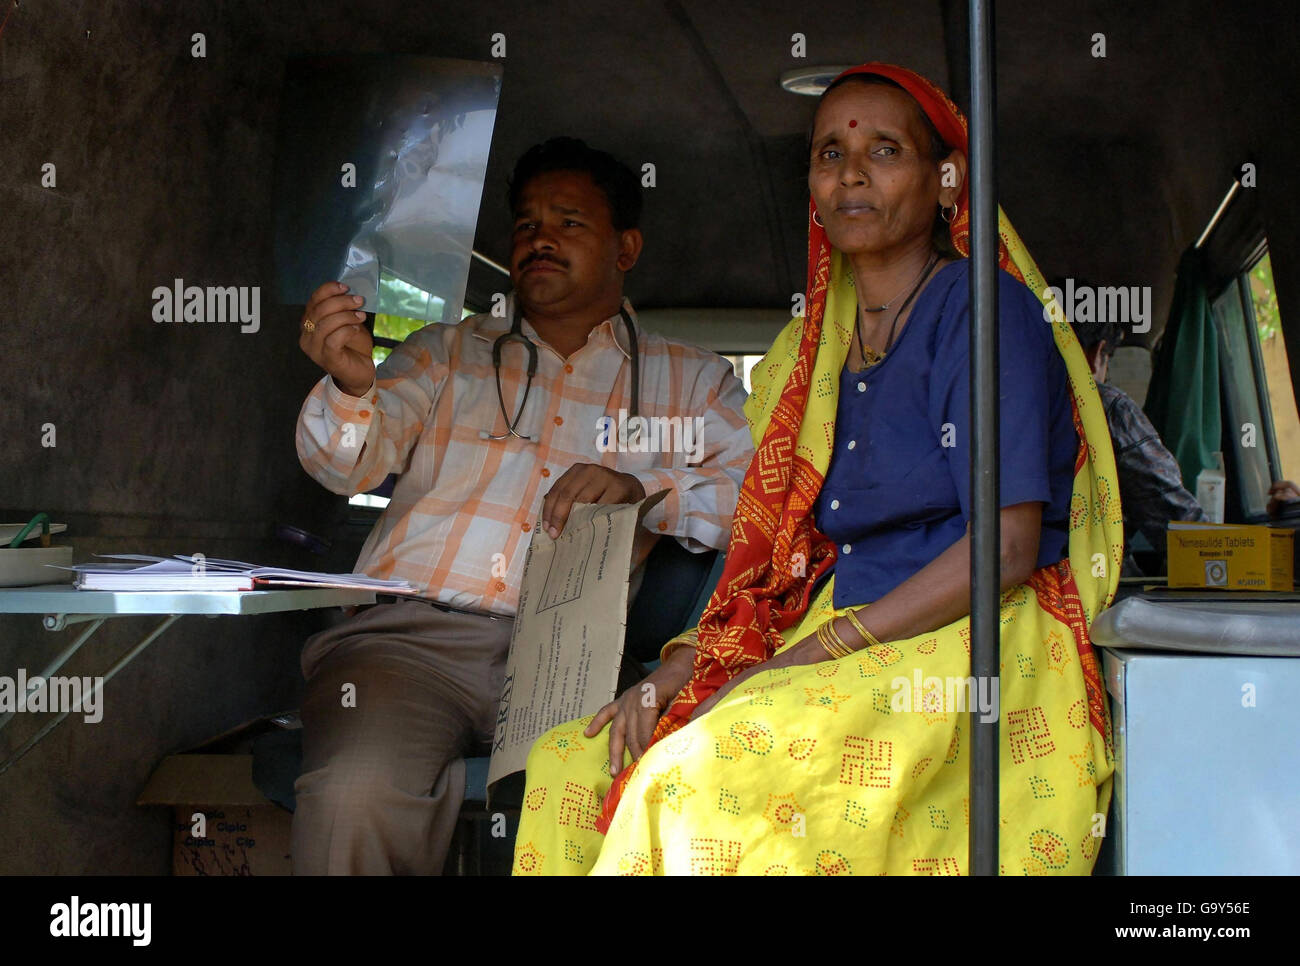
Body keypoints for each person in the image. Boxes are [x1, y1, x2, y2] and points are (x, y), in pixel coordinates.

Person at [514, 64, 1122, 876]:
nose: (853, 172)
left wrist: (801, 660)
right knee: (570, 764)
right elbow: (777, 565)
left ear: (947, 181)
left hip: (967, 637)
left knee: (692, 785)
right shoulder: (819, 350)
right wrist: (672, 675)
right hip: (830, 627)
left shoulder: (985, 311)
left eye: (885, 149)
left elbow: (1004, 550)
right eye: (830, 153)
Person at [291, 137, 754, 874]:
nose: (541, 239)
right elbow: (343, 463)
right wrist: (352, 387)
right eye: (527, 225)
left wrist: (647, 491)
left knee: (627, 803)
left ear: (625, 247)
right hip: (408, 643)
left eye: (569, 222)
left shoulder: (694, 381)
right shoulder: (445, 353)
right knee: (354, 795)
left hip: (579, 654)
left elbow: (755, 506)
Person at [1063, 303, 1206, 570]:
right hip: (1087, 594)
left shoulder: (984, 402)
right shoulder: (1102, 407)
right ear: (1097, 355)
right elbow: (1181, 530)